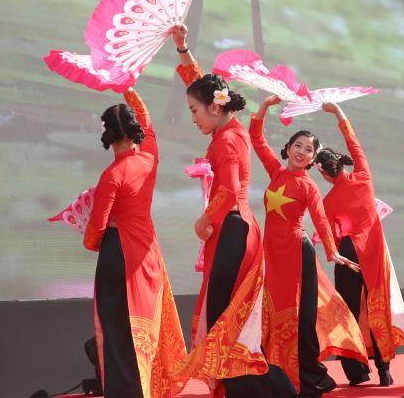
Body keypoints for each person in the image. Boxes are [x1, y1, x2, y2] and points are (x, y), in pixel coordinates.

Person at [170, 25, 270, 397]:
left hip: (231, 228)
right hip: (237, 228)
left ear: (214, 107)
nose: (193, 117)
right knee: (230, 316)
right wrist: (183, 50)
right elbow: (203, 86)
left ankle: (246, 389)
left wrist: (204, 219)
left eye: (195, 111)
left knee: (224, 318)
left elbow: (227, 190)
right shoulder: (229, 127)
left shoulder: (227, 140)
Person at [250, 95, 368, 397]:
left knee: (300, 318)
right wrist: (263, 108)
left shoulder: (308, 186)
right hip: (271, 254)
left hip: (297, 253)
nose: (302, 152)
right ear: (288, 148)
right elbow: (256, 137)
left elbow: (320, 221)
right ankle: (278, 373)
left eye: (308, 149)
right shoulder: (276, 172)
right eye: (298, 145)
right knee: (273, 314)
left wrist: (333, 252)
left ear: (314, 158)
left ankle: (311, 377)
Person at [83, 87, 187, 397]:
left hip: (117, 253)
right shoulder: (150, 160)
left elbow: (95, 229)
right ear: (133, 129)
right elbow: (149, 122)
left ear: (108, 135)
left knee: (118, 332)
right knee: (143, 324)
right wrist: (129, 89)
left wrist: (90, 237)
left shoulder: (112, 175)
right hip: (148, 251)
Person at [314, 103, 404, 386]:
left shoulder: (328, 201)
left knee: (347, 311)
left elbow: (333, 238)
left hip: (348, 254)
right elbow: (354, 143)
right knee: (376, 309)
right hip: (373, 251)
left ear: (323, 173)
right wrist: (338, 114)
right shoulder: (363, 177)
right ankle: (384, 369)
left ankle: (356, 372)